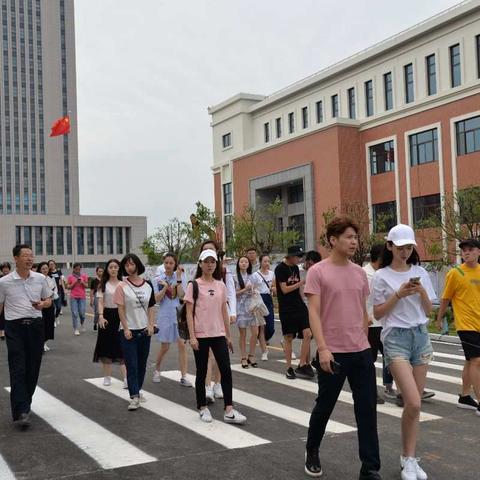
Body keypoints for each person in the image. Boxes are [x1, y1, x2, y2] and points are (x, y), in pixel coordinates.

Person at [304, 217, 380, 479]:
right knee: (325, 406)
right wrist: (322, 348)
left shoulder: (360, 273)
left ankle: (370, 467)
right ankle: (312, 450)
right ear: (333, 240)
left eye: (355, 237)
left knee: (367, 409)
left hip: (360, 351)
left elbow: (362, 311)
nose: (354, 241)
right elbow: (313, 313)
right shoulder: (318, 272)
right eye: (348, 237)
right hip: (332, 352)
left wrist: (365, 341)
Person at [373, 224, 436, 480]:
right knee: (413, 401)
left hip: (420, 337)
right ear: (389, 246)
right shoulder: (381, 275)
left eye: (409, 247)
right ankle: (407, 459)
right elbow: (377, 313)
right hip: (395, 338)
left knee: (414, 406)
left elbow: (429, 312)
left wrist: (420, 291)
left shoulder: (420, 271)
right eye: (400, 248)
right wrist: (398, 295)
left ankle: (409, 458)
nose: (405, 252)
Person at [185, 249, 246, 424]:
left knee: (226, 371)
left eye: (213, 261)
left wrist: (228, 335)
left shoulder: (220, 285)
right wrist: (192, 336)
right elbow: (189, 313)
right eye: (206, 261)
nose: (210, 264)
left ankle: (229, 409)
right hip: (201, 335)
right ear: (200, 263)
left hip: (218, 334)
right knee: (202, 371)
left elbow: (223, 311)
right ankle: (202, 407)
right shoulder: (193, 285)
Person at [0, 244, 53, 428]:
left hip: (35, 327)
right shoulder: (4, 282)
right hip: (14, 328)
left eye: (31, 256)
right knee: (18, 368)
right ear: (16, 258)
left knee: (32, 368)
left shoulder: (40, 278)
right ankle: (21, 411)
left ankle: (24, 403)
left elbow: (49, 300)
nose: (30, 259)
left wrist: (42, 304)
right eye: (25, 256)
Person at [436, 238, 480, 414]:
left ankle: (464, 396)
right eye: (463, 250)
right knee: (477, 361)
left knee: (470, 361)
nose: (466, 253)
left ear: (478, 252)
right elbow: (446, 298)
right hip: (465, 325)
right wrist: (439, 319)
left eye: (470, 249)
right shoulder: (455, 273)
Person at [114, 253, 156, 411]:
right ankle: (134, 396)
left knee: (142, 364)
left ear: (138, 265)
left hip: (145, 330)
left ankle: (137, 390)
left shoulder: (148, 285)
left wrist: (151, 325)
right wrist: (125, 328)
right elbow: (121, 309)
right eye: (126, 265)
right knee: (131, 364)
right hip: (128, 331)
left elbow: (151, 307)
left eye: (132, 264)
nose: (130, 267)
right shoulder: (121, 286)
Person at [200, 240, 236, 403]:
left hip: (220, 319)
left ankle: (217, 384)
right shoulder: (197, 276)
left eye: (211, 252)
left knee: (220, 355)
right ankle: (207, 387)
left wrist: (232, 312)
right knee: (206, 356)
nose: (209, 262)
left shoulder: (224, 273)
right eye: (205, 251)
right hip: (204, 321)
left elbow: (230, 294)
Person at [152, 253, 192, 387]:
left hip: (179, 314)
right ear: (163, 263)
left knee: (182, 344)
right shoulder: (158, 279)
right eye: (166, 263)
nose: (168, 265)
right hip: (165, 314)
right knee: (165, 346)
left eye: (171, 263)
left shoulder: (180, 276)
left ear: (175, 264)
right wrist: (164, 287)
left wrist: (179, 278)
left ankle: (184, 376)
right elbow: (157, 299)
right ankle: (157, 369)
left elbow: (182, 295)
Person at [275, 245, 314, 380]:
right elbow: (284, 289)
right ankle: (289, 367)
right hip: (286, 307)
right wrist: (302, 282)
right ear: (290, 256)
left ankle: (302, 363)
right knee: (289, 337)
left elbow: (298, 289)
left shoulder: (296, 268)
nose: (300, 259)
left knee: (308, 333)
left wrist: (304, 299)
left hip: (299, 305)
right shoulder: (280, 269)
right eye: (298, 256)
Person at [364, 243, 395, 404]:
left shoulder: (384, 274)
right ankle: (371, 392)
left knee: (393, 356)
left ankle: (395, 388)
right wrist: (364, 317)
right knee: (370, 360)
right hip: (371, 324)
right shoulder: (365, 274)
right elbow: (359, 298)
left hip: (385, 323)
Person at [93, 259, 127, 388]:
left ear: (119, 269)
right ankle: (107, 376)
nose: (113, 269)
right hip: (107, 316)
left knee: (122, 346)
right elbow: (100, 302)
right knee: (106, 346)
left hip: (120, 315)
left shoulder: (124, 284)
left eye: (116, 267)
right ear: (107, 269)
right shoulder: (103, 284)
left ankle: (126, 379)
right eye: (111, 267)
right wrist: (101, 316)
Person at [234, 256, 260, 368]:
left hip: (252, 307)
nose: (244, 263)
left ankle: (252, 355)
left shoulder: (253, 277)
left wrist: (253, 291)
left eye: (246, 261)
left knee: (255, 332)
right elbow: (234, 294)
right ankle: (243, 357)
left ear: (249, 264)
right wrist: (245, 289)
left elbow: (256, 290)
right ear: (238, 264)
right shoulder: (235, 277)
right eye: (241, 261)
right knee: (243, 334)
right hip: (241, 307)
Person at [251, 254, 276, 361]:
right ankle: (264, 351)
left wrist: (274, 289)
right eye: (265, 261)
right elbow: (251, 288)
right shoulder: (255, 275)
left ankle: (264, 341)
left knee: (270, 327)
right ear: (260, 262)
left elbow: (274, 286)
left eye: (268, 261)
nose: (267, 263)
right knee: (262, 327)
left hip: (268, 299)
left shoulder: (272, 274)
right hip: (259, 300)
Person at [37, 262, 58, 352]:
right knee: (42, 325)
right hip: (40, 304)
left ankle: (44, 342)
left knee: (49, 324)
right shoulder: (37, 279)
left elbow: (55, 289)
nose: (45, 270)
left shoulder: (51, 279)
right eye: (43, 268)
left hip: (50, 303)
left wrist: (53, 294)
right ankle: (40, 343)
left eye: (46, 268)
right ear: (39, 270)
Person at [67, 263, 88, 335]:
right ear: (73, 269)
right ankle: (75, 329)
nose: (78, 270)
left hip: (82, 297)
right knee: (74, 313)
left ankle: (82, 323)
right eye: (76, 269)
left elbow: (86, 285)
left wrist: (82, 282)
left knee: (82, 313)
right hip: (73, 297)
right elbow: (68, 287)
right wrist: (74, 282)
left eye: (79, 269)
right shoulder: (70, 276)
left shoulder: (84, 275)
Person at [90, 266, 104, 331]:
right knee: (97, 312)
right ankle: (95, 323)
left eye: (102, 271)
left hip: (104, 296)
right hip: (96, 296)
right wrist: (91, 299)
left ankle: (100, 324)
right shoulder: (94, 280)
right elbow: (92, 291)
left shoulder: (105, 280)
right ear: (96, 272)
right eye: (99, 271)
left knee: (103, 311)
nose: (101, 273)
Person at [0, 262, 12, 341]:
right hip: (1, 300)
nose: (5, 269)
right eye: (4, 268)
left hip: (10, 299)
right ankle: (2, 332)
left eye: (7, 268)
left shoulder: (12, 278)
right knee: (1, 315)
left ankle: (6, 331)